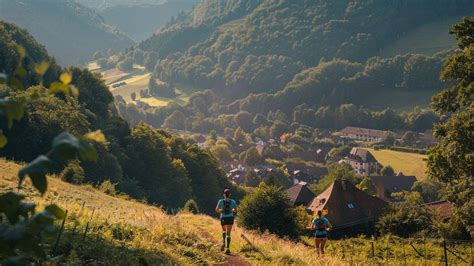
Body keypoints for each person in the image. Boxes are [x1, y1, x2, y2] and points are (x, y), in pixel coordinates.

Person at [215, 188, 237, 254]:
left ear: (224, 195)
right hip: (230, 218)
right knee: (228, 234)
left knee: (224, 230)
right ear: (229, 195)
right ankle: (227, 249)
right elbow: (236, 211)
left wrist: (221, 211)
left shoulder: (220, 201)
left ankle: (223, 243)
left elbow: (216, 209)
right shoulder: (233, 201)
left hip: (223, 217)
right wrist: (232, 210)